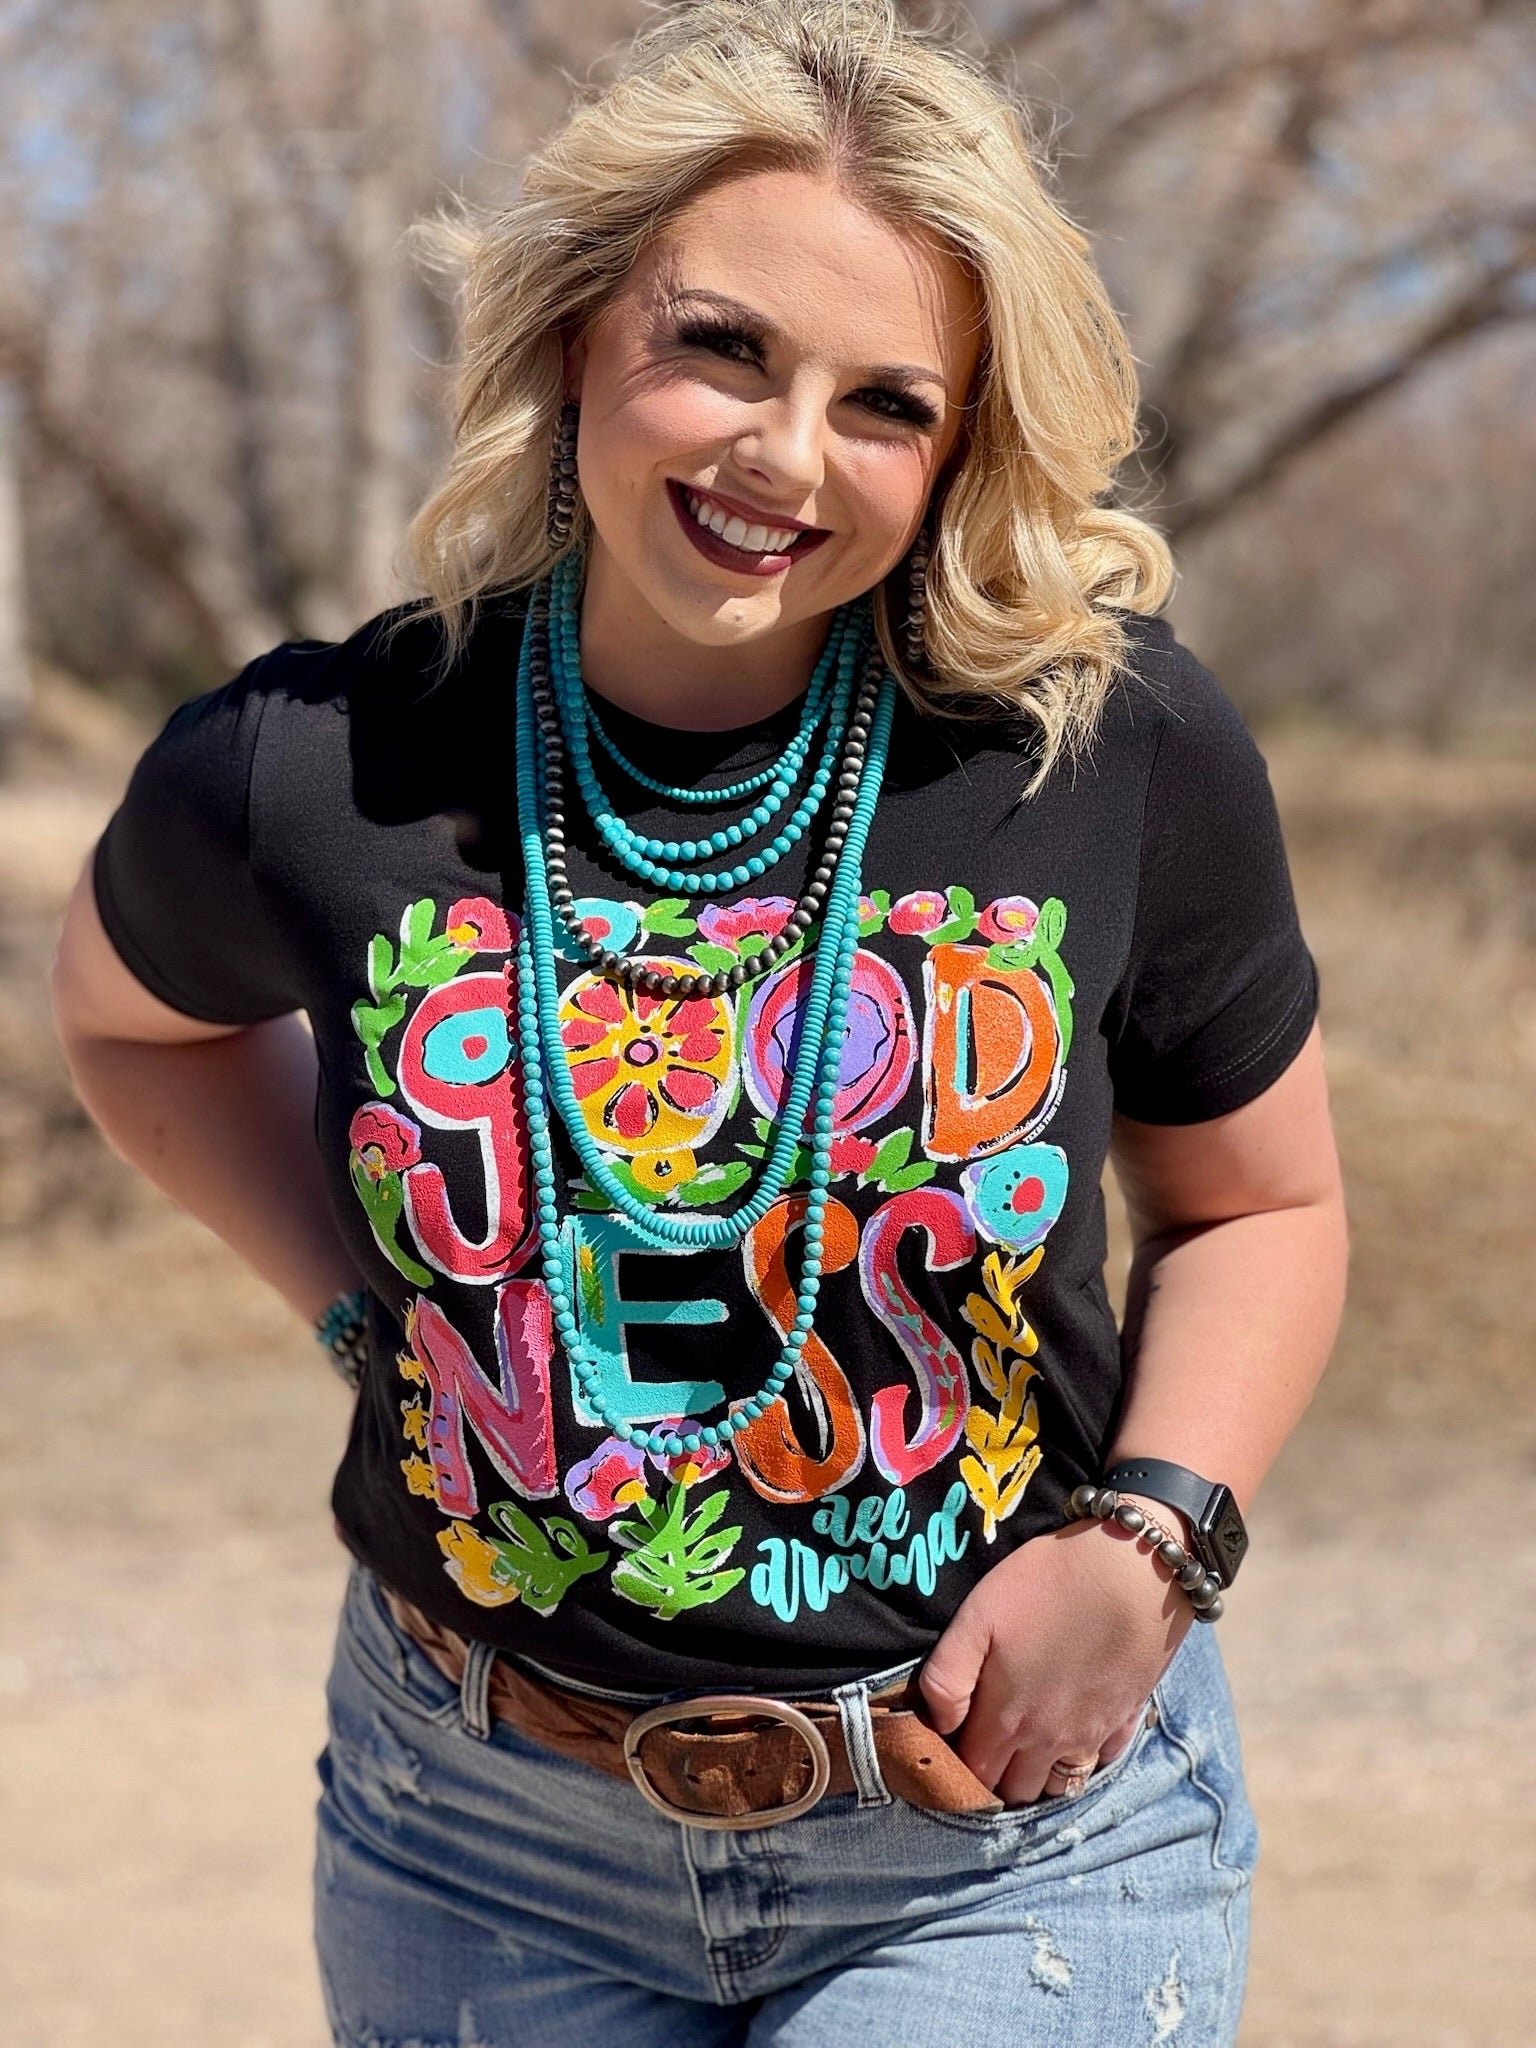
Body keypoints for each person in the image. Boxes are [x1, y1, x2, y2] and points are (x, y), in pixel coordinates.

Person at [49, 3, 1348, 2042]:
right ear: (579, 335)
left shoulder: (1104, 747)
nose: (783, 455)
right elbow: (135, 1027)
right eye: (723, 348)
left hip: (1002, 1840)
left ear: (957, 452)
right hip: (477, 1841)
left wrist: (1153, 1540)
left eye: (885, 404)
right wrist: (366, 1321)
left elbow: (1262, 1205)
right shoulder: (314, 762)